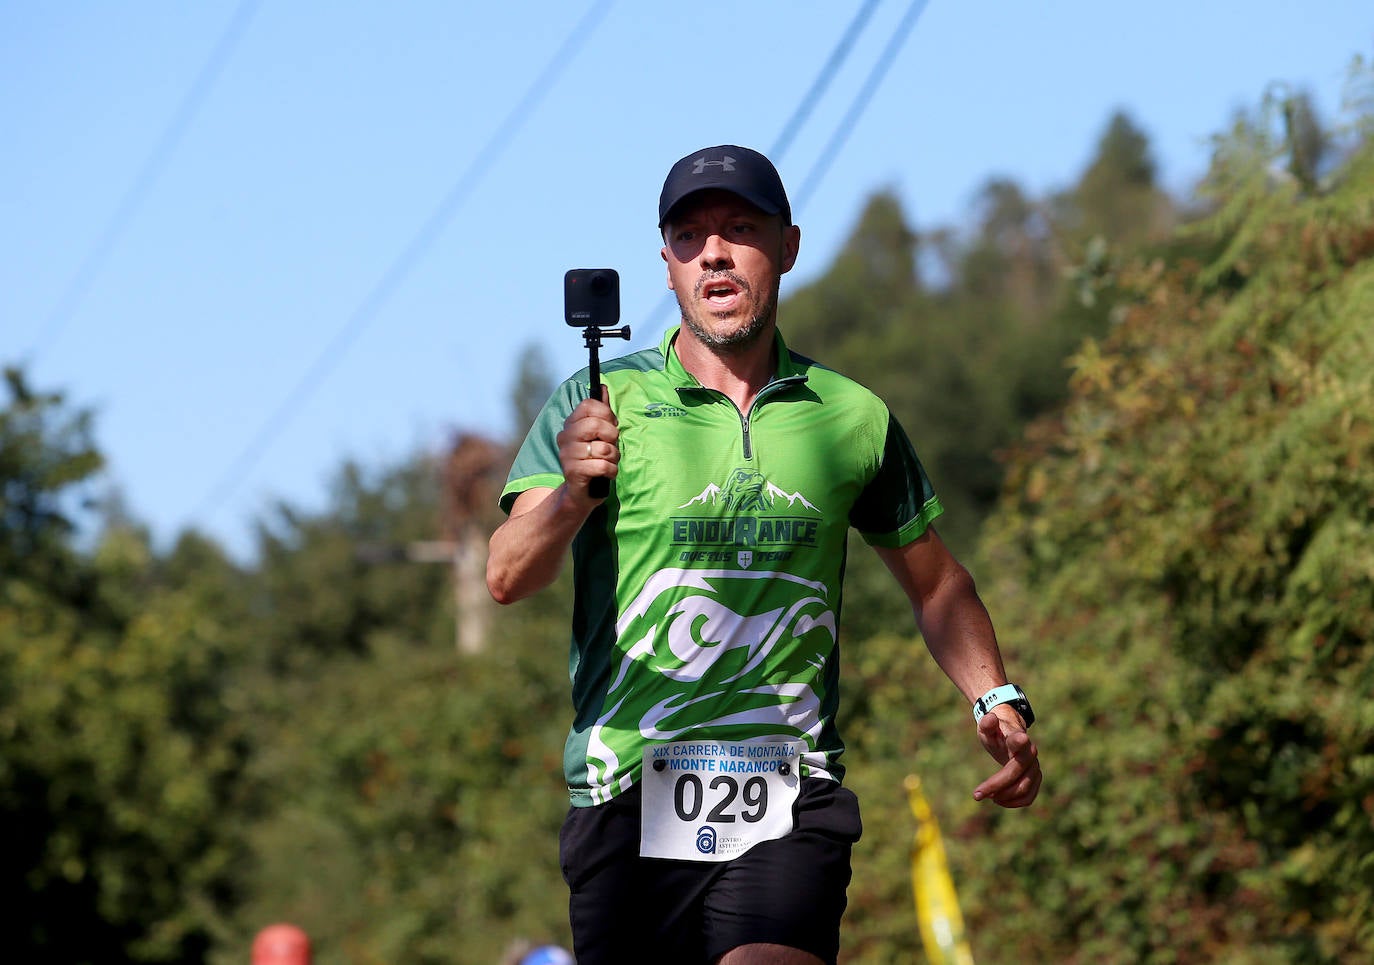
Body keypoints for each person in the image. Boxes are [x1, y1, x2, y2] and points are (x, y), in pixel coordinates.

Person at [487, 144, 1042, 965]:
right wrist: (572, 495)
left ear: (786, 247)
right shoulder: (598, 402)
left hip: (788, 786)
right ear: (668, 266)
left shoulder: (852, 416)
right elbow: (507, 574)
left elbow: (936, 584)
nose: (714, 250)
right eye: (689, 236)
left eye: (740, 228)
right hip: (627, 788)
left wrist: (992, 693)